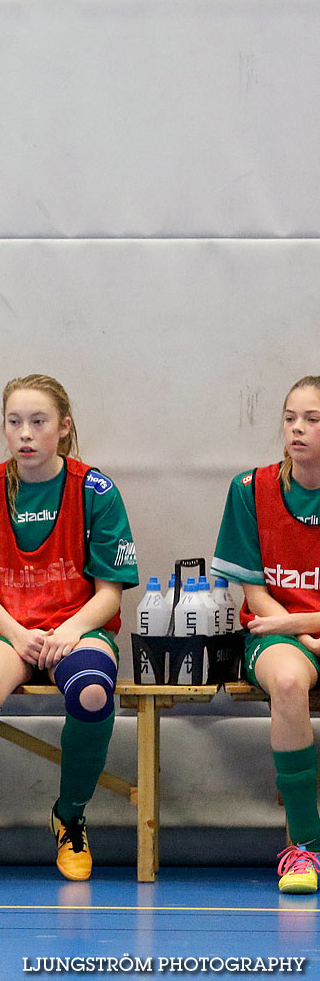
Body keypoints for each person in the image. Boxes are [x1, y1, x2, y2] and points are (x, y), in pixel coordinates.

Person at [0, 374, 137, 892]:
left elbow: (110, 593)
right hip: (3, 630)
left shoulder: (94, 489)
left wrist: (66, 632)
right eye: (14, 422)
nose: (25, 433)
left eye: (38, 422)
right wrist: (18, 632)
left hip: (77, 624)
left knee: (94, 691)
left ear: (64, 427)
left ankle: (69, 817)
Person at [213, 376, 320, 894]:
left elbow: (285, 619)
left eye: (313, 420)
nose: (297, 429)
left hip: (291, 625)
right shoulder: (249, 489)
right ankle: (305, 847)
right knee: (288, 681)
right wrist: (293, 632)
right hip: (275, 634)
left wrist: (298, 624)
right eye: (290, 418)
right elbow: (255, 596)